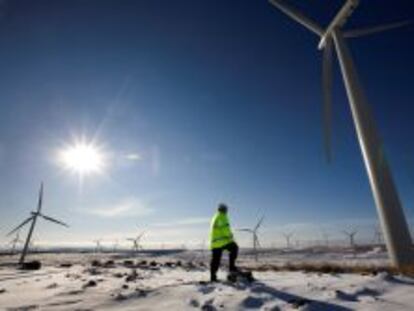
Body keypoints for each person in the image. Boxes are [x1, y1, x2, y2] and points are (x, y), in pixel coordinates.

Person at [209, 203, 239, 282]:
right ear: (224, 210)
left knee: (215, 260)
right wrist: (231, 237)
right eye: (226, 209)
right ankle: (232, 268)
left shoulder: (215, 217)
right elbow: (225, 229)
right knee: (234, 248)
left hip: (214, 243)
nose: (227, 211)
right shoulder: (222, 216)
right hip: (222, 241)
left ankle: (213, 277)